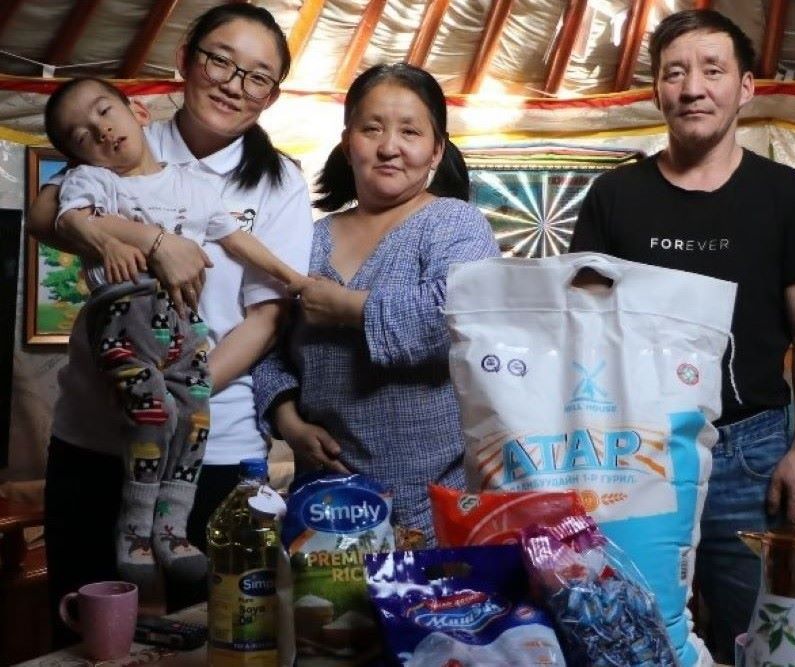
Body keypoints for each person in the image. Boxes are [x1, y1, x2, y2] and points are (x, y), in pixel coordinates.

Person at [26, 4, 313, 645]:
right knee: (88, 636)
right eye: (220, 60)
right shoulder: (126, 137)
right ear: (184, 60)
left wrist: (178, 389)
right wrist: (155, 240)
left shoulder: (279, 182)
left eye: (257, 75)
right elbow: (49, 213)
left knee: (216, 633)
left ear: (271, 95)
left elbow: (265, 318)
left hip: (214, 441)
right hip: (93, 440)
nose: (235, 83)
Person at [568, 9, 795, 663]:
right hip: (638, 451)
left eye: (712, 70)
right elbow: (581, 328)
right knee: (634, 633)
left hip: (751, 451)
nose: (693, 87)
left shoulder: (789, 195)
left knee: (759, 635)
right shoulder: (614, 196)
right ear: (658, 91)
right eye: (675, 72)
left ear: (745, 86)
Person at [252, 63, 500, 547]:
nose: (389, 147)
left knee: (423, 620)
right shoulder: (308, 239)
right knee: (321, 620)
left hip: (430, 504)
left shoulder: (454, 223)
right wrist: (288, 420)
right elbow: (266, 344)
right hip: (321, 495)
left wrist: (347, 306)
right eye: (372, 129)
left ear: (436, 149)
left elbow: (458, 317)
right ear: (348, 143)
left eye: (410, 131)